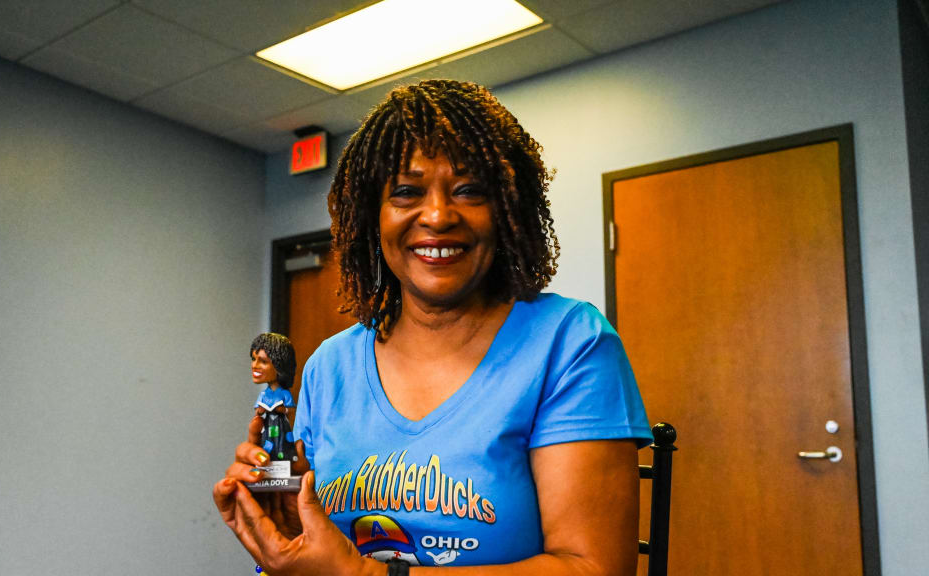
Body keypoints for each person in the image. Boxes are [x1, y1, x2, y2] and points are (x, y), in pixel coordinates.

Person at [214, 80, 651, 576]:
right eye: (406, 192)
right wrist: (290, 528)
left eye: (469, 190)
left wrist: (367, 575)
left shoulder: (569, 343)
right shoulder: (328, 367)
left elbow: (594, 568)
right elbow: (327, 555)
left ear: (507, 210)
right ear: (372, 217)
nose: (439, 216)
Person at [248, 333, 298, 463]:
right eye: (253, 359)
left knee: (282, 445)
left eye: (263, 361)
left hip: (281, 425)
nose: (254, 365)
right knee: (267, 445)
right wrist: (260, 411)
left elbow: (291, 412)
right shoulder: (264, 394)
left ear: (279, 366)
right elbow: (257, 413)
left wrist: (283, 410)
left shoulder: (284, 393)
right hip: (268, 425)